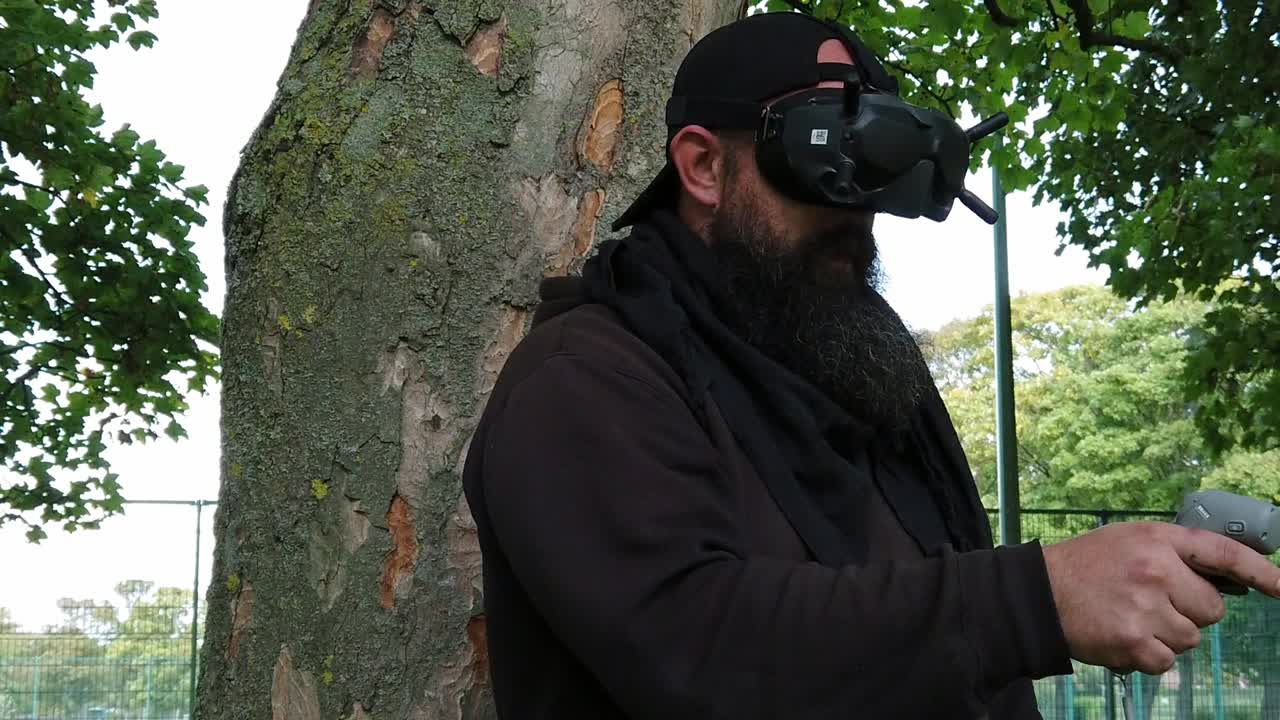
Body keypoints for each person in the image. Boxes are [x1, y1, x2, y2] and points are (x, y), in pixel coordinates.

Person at [460, 12, 1280, 719]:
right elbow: (697, 650)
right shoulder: (583, 378)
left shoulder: (859, 357)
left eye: (872, 172)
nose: (851, 214)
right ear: (703, 166)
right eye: (820, 159)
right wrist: (1038, 599)